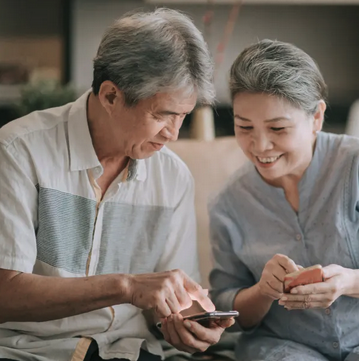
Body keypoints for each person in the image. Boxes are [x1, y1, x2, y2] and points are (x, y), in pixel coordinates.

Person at [0, 8, 234, 361]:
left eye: (182, 117)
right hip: (31, 351)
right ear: (110, 96)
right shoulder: (18, 151)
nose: (172, 134)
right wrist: (126, 287)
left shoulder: (173, 178)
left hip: (131, 352)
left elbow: (168, 307)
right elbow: (6, 293)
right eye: (161, 116)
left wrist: (184, 323)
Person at [209, 39, 359, 361]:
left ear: (317, 117)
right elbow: (226, 311)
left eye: (278, 128)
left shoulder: (354, 166)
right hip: (285, 348)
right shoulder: (229, 205)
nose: (260, 146)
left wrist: (349, 282)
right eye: (244, 126)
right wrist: (262, 291)